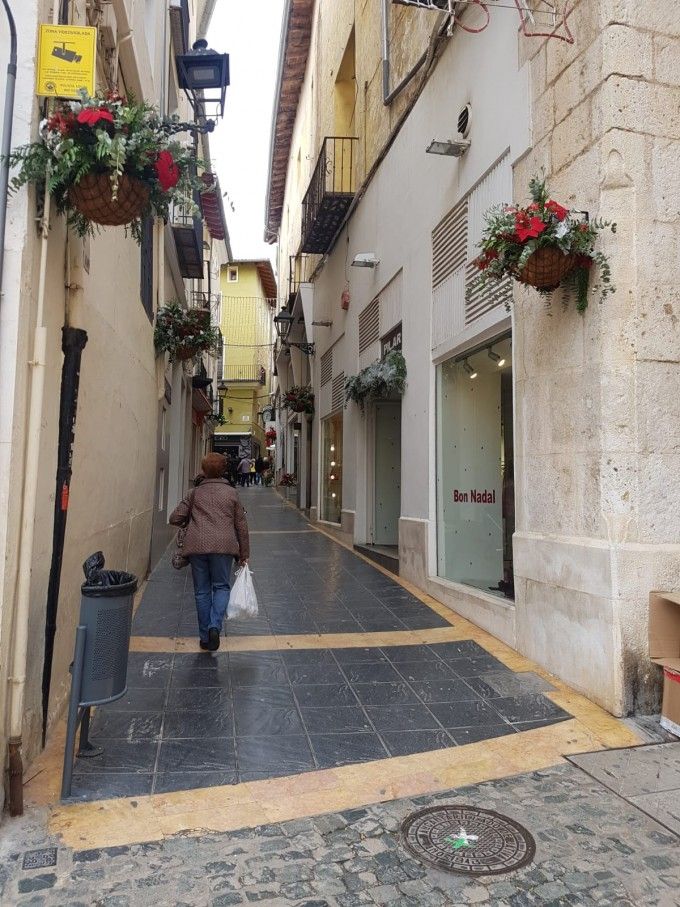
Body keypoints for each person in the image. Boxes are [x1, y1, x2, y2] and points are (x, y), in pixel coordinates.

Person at [169, 453, 250, 651]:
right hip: (224, 546)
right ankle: (215, 625)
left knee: (201, 591)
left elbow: (174, 518)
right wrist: (244, 553)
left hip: (197, 546)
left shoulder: (194, 493)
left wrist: (190, 522)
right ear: (224, 471)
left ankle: (205, 637)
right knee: (221, 587)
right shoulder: (232, 494)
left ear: (203, 471)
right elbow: (241, 525)